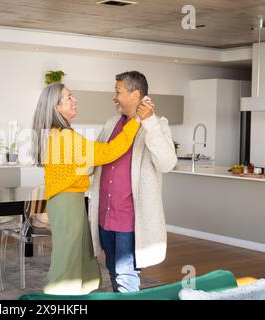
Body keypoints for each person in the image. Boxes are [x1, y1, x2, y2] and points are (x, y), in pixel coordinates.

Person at [31, 82, 153, 295]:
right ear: (56, 107)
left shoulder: (56, 134)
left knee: (80, 255)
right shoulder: (64, 137)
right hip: (66, 202)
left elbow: (87, 160)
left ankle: (81, 294)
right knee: (67, 260)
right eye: (68, 98)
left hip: (66, 201)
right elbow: (109, 152)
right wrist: (136, 121)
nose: (74, 100)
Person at [88, 71, 178, 293]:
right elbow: (94, 159)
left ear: (135, 94)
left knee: (126, 275)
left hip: (130, 219)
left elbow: (167, 163)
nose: (114, 97)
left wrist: (149, 123)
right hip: (105, 215)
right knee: (111, 267)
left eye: (117, 91)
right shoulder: (111, 124)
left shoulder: (157, 125)